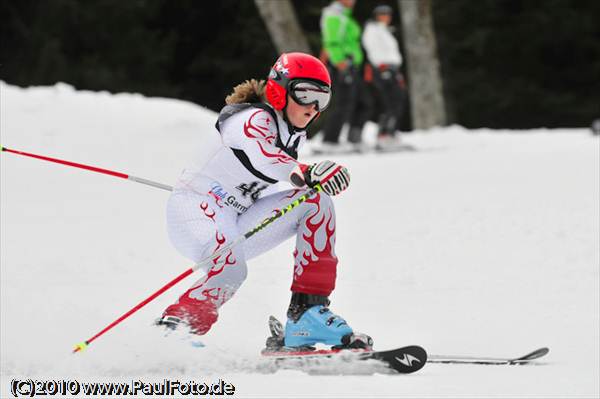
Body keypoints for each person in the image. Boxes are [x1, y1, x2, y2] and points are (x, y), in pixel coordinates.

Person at [157, 52, 372, 350]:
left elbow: (273, 188)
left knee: (315, 202)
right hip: (195, 209)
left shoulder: (293, 136)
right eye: (305, 94)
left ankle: (306, 315)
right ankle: (172, 332)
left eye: (322, 99)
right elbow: (265, 158)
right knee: (231, 269)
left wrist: (308, 180)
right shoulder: (252, 118)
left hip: (236, 217)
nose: (313, 107)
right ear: (279, 90)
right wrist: (306, 172)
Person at [318, 0, 372, 154]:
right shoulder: (334, 14)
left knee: (364, 102)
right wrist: (339, 61)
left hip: (352, 65)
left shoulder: (345, 15)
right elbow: (331, 42)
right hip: (342, 65)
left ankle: (354, 139)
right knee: (344, 103)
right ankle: (329, 140)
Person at [362, 4, 408, 151]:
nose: (387, 17)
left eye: (388, 14)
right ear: (377, 16)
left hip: (393, 69)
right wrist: (382, 68)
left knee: (397, 101)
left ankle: (391, 132)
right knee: (390, 103)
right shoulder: (372, 30)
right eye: (383, 14)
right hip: (383, 68)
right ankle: (384, 135)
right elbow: (373, 50)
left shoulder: (384, 30)